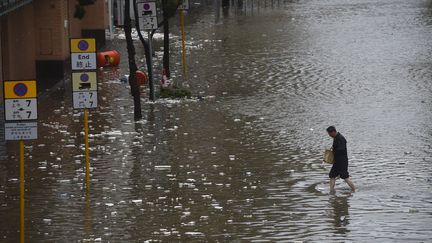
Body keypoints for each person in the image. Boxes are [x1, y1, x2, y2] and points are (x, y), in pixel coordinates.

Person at [326, 126, 356, 192]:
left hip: (342, 161)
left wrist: (333, 151)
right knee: (332, 175)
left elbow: (341, 150)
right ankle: (331, 190)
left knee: (345, 176)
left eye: (330, 134)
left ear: (333, 132)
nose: (329, 135)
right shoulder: (335, 138)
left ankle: (354, 189)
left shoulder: (341, 138)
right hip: (336, 161)